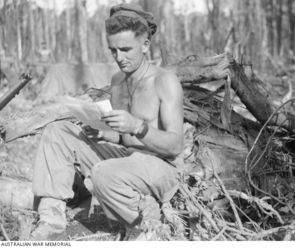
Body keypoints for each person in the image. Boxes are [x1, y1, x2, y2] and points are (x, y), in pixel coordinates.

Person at [30, 3, 184, 241]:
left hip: (161, 166)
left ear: (145, 45)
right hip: (126, 159)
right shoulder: (118, 80)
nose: (119, 58)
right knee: (58, 131)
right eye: (113, 50)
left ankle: (143, 226)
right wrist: (103, 134)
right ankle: (51, 219)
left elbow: (175, 147)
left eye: (125, 49)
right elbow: (124, 137)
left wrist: (138, 126)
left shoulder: (165, 81)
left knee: (104, 172)